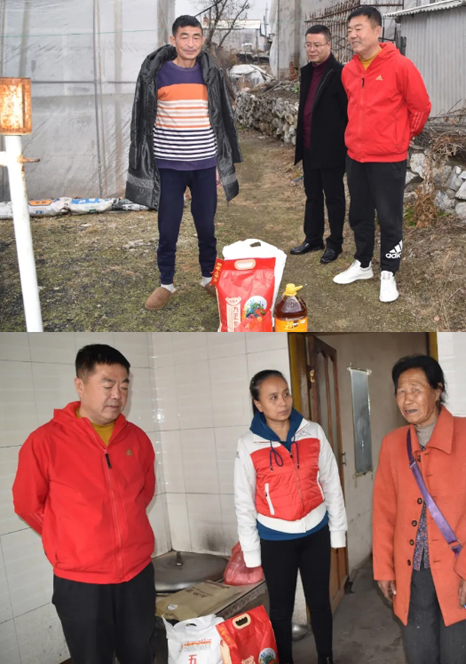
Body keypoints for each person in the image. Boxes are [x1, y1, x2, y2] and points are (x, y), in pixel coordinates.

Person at [13, 344, 156, 664]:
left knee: (140, 654)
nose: (117, 395)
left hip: (137, 575)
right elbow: (26, 505)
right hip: (81, 583)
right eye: (107, 384)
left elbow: (143, 494)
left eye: (124, 386)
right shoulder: (45, 441)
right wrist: (71, 537)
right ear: (80, 385)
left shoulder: (137, 439)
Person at [372, 355, 466, 664]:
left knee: (458, 655)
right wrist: (384, 568)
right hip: (412, 572)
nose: (407, 399)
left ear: (437, 390)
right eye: (400, 391)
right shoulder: (392, 444)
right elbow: (384, 512)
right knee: (419, 655)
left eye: (416, 389)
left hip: (459, 571)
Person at [126, 15, 242, 311]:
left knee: (206, 227)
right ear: (173, 40)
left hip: (204, 164)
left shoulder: (211, 73)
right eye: (184, 36)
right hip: (169, 166)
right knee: (168, 229)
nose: (190, 43)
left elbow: (221, 118)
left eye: (196, 37)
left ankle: (208, 278)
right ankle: (166, 283)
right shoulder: (157, 73)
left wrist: (219, 164)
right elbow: (143, 120)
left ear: (202, 40)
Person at [234, 370, 348, 664]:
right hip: (275, 539)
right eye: (273, 397)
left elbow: (331, 482)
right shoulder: (248, 444)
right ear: (258, 404)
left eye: (286, 393)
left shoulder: (313, 432)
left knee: (320, 603)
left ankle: (326, 658)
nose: (283, 402)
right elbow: (244, 501)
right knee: (281, 611)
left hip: (316, 532)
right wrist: (251, 551)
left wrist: (337, 531)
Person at [334, 6, 431, 303]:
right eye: (349, 30)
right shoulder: (348, 71)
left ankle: (389, 271)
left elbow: (421, 107)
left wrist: (401, 137)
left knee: (389, 218)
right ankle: (363, 263)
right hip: (356, 156)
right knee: (359, 214)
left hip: (388, 158)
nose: (352, 35)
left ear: (377, 31)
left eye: (359, 28)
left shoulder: (400, 66)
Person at [291, 25, 348, 264]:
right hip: (309, 146)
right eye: (308, 45)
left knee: (334, 197)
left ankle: (335, 243)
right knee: (312, 195)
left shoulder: (340, 73)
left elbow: (347, 113)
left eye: (317, 45)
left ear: (329, 45)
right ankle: (313, 238)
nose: (312, 49)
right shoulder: (307, 72)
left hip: (332, 149)